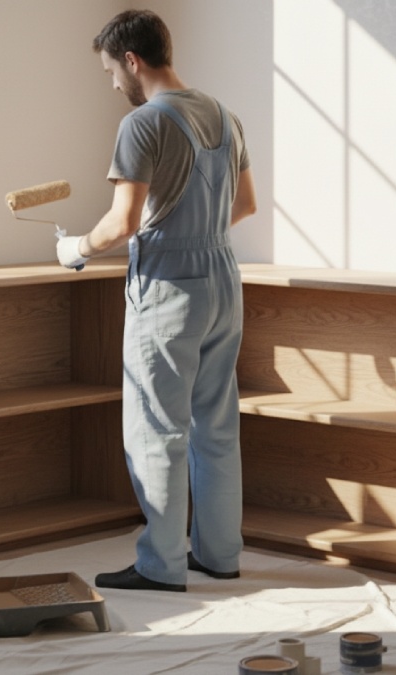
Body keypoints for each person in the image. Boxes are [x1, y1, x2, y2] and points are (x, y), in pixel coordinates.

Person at [56, 9, 257, 592]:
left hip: (170, 287)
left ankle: (161, 566)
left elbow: (121, 223)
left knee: (155, 428)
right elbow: (244, 205)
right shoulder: (225, 114)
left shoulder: (143, 123)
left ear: (131, 60)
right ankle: (220, 555)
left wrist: (76, 247)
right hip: (223, 277)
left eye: (110, 71)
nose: (112, 83)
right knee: (216, 426)